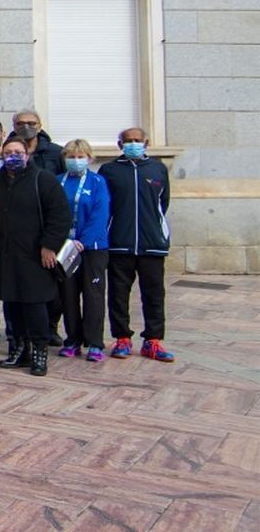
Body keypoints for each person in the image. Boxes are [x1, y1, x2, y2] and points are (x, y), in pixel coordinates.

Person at [0, 134, 72, 377]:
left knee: (34, 304)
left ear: (27, 155)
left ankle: (39, 351)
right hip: (6, 254)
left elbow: (60, 215)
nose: (12, 157)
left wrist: (49, 245)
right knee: (12, 303)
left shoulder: (43, 179)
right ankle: (19, 348)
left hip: (35, 255)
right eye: (7, 153)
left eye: (17, 153)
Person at [100, 127, 174, 362]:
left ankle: (153, 340)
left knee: (154, 294)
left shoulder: (157, 169)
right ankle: (122, 338)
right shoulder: (109, 170)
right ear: (120, 144)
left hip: (152, 244)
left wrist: (156, 231)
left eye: (137, 140)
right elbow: (105, 206)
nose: (133, 144)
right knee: (118, 294)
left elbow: (163, 203)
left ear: (146, 142)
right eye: (128, 141)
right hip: (119, 243)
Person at [58, 139, 111, 362]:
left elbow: (101, 214)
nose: (76, 161)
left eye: (80, 156)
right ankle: (72, 339)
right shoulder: (57, 181)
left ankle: (95, 342)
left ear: (89, 158)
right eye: (71, 156)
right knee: (68, 295)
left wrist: (83, 241)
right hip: (65, 248)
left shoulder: (98, 182)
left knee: (93, 295)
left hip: (92, 249)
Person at [12, 110, 65, 175]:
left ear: (39, 127)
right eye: (20, 124)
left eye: (31, 123)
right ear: (14, 127)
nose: (26, 127)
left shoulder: (56, 151)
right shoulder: (7, 152)